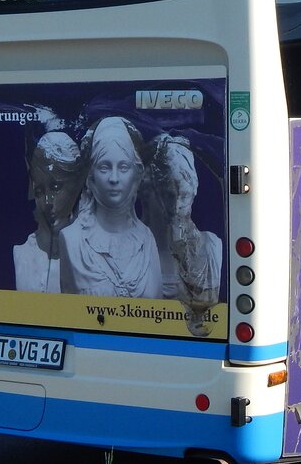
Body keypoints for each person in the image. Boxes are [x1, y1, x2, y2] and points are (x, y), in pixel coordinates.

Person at [59, 117, 161, 298]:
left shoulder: (147, 240)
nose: (114, 178)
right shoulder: (71, 240)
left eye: (123, 167)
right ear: (91, 177)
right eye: (105, 167)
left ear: (136, 176)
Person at [147, 133, 223, 334]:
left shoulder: (212, 246)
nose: (178, 203)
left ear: (193, 188)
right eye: (170, 194)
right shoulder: (141, 249)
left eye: (184, 191)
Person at [13, 131, 82, 293]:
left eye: (56, 187)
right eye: (39, 191)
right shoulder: (21, 254)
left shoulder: (95, 256)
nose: (48, 202)